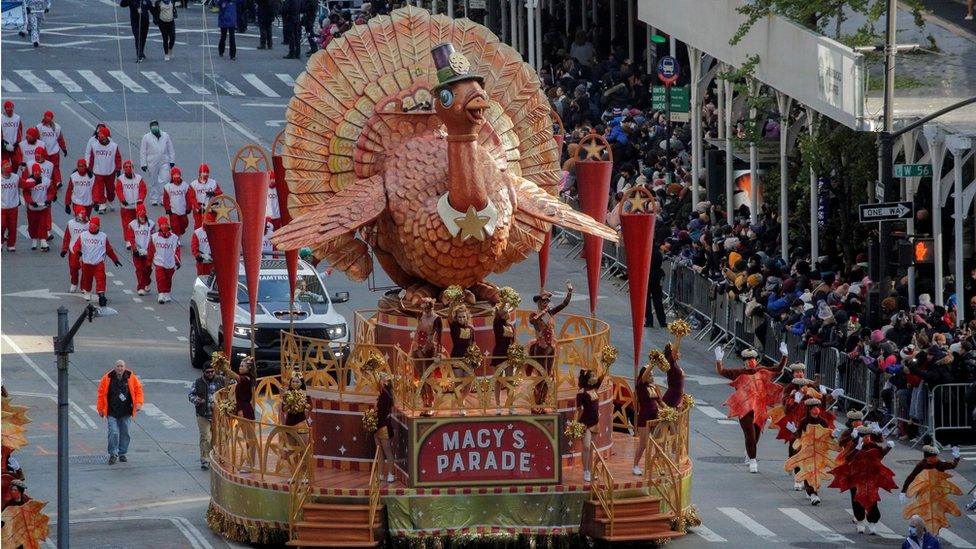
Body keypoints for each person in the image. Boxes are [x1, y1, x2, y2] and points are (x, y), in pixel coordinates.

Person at [714, 344, 788, 474]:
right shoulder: (738, 373)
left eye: (753, 359)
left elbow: (778, 369)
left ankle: (749, 452)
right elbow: (722, 371)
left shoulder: (762, 371)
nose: (751, 361)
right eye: (748, 359)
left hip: (760, 410)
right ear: (744, 361)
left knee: (757, 435)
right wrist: (719, 361)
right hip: (745, 410)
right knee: (750, 435)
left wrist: (785, 356)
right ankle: (753, 460)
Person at [829, 424, 896, 534]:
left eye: (868, 436)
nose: (866, 438)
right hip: (856, 478)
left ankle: (872, 523)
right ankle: (860, 521)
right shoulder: (853, 445)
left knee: (872, 498)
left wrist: (888, 448)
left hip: (870, 477)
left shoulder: (873, 445)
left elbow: (880, 455)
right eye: (863, 436)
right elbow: (847, 458)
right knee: (857, 499)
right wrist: (856, 449)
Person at [528, 282, 573, 413]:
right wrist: (544, 311)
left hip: (551, 347)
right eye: (543, 301)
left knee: (548, 375)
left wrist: (570, 291)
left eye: (547, 301)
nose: (545, 303)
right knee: (541, 376)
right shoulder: (534, 314)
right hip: (541, 347)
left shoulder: (551, 312)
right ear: (538, 303)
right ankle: (535, 404)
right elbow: (534, 321)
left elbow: (564, 304)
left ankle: (541, 404)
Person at [96, 360, 144, 465]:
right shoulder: (107, 378)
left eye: (121, 366)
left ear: (125, 367)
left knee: (125, 432)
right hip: (112, 412)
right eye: (118, 366)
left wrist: (139, 403)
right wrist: (100, 408)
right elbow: (101, 393)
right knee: (113, 432)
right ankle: (113, 454)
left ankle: (122, 453)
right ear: (114, 367)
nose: (120, 368)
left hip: (126, 411)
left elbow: (138, 390)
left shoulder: (131, 377)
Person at [73, 216, 123, 304]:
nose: (92, 227)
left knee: (101, 278)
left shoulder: (103, 236)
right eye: (91, 225)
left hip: (98, 263)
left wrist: (115, 259)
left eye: (94, 225)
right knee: (87, 279)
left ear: (98, 227)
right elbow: (76, 246)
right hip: (86, 262)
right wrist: (77, 251)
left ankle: (101, 295)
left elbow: (108, 249)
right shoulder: (83, 235)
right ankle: (87, 291)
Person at [219, 356, 257, 471]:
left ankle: (250, 464)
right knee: (249, 439)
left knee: (250, 439)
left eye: (242, 366)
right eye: (240, 365)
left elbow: (236, 377)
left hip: (245, 410)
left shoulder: (246, 379)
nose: (240, 367)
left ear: (249, 368)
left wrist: (225, 369)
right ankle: (250, 463)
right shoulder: (246, 378)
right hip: (243, 409)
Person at [189, 361, 227, 470]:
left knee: (219, 437)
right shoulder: (198, 383)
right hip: (203, 414)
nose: (210, 374)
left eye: (212, 372)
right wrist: (197, 400)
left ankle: (217, 457)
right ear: (203, 372)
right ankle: (205, 460)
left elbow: (232, 385)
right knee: (205, 436)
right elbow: (191, 395)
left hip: (218, 415)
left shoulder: (221, 380)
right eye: (207, 372)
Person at [410, 297, 442, 415]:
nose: (426, 311)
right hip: (417, 349)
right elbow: (402, 310)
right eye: (424, 308)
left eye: (428, 308)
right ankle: (425, 404)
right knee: (420, 377)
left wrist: (438, 354)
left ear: (432, 307)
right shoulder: (421, 315)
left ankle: (431, 403)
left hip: (428, 350)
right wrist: (401, 299)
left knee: (426, 377)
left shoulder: (437, 319)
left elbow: (439, 338)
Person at [575, 368, 605, 483]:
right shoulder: (581, 392)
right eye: (592, 376)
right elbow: (579, 409)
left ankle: (591, 470)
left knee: (592, 448)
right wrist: (576, 424)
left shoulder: (595, 388)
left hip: (595, 422)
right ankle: (585, 471)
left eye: (595, 376)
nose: (595, 378)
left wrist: (606, 363)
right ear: (588, 379)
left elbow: (603, 376)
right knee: (586, 447)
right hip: (585, 423)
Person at [448, 302, 476, 416]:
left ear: (467, 317)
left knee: (468, 383)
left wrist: (475, 355)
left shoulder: (471, 328)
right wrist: (451, 303)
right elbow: (449, 316)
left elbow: (473, 342)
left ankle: (460, 400)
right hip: (456, 357)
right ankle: (461, 406)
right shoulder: (454, 326)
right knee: (458, 383)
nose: (461, 319)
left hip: (468, 358)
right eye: (459, 317)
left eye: (464, 316)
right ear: (456, 317)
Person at [139, 121, 175, 206]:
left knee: (165, 180)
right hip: (152, 162)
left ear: (158, 126)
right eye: (152, 126)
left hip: (164, 162)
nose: (154, 127)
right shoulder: (146, 137)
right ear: (150, 127)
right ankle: (154, 198)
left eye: (155, 125)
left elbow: (171, 148)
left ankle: (163, 199)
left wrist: (172, 160)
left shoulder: (165, 135)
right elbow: (143, 151)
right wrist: (143, 163)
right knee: (153, 181)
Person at [20, 163, 54, 251]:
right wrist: (31, 202)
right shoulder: (28, 181)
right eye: (35, 171)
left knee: (42, 225)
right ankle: (34, 240)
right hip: (32, 208)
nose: (37, 173)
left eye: (38, 171)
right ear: (32, 172)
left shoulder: (46, 181)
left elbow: (50, 191)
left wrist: (49, 200)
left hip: (43, 207)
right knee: (32, 225)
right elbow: (26, 193)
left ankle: (43, 241)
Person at [88, 127, 121, 214]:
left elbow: (118, 158)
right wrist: (90, 169)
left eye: (101, 134)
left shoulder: (114, 146)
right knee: (100, 189)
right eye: (99, 134)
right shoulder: (95, 146)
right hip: (98, 171)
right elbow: (92, 158)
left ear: (106, 135)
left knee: (110, 189)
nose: (100, 136)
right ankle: (102, 204)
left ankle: (111, 200)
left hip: (110, 171)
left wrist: (118, 169)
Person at [491, 299, 516, 414]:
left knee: (510, 381)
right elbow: (499, 313)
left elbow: (513, 342)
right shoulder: (497, 323)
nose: (507, 314)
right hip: (498, 355)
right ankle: (498, 406)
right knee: (498, 381)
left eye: (508, 312)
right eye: (505, 312)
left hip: (509, 356)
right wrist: (505, 301)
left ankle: (511, 406)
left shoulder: (511, 326)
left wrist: (515, 354)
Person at [148, 216, 181, 303]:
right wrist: (149, 261)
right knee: (161, 278)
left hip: (170, 262)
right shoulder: (154, 237)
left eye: (166, 224)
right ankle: (161, 294)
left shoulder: (174, 237)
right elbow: (151, 250)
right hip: (159, 262)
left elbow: (177, 250)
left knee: (168, 279)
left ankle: (167, 293)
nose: (164, 226)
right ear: (159, 226)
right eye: (162, 224)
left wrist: (178, 261)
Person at [115, 160, 147, 248]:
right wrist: (122, 200)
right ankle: (128, 240)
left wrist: (140, 199)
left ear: (133, 168)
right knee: (127, 224)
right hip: (126, 206)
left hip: (137, 206)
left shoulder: (139, 178)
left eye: (130, 167)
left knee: (139, 223)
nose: (128, 169)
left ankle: (139, 238)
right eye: (126, 167)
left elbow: (143, 190)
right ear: (123, 169)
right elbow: (119, 190)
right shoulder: (120, 179)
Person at [128, 205, 156, 295]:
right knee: (139, 269)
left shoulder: (151, 224)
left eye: (143, 210)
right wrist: (135, 249)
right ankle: (141, 287)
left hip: (148, 251)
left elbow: (154, 237)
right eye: (140, 211)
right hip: (137, 251)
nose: (142, 212)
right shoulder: (132, 224)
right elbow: (131, 238)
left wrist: (151, 250)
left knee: (147, 269)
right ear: (137, 212)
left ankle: (147, 282)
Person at [61, 205, 89, 293]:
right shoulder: (71, 224)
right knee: (73, 268)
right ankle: (74, 283)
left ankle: (84, 287)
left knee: (86, 269)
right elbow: (67, 237)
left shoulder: (89, 224)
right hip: (73, 249)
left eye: (84, 213)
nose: (82, 216)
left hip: (86, 250)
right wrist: (64, 249)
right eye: (81, 213)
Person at [373, 372, 395, 483]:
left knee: (387, 451)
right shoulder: (381, 395)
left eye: (381, 380)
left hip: (384, 426)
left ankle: (391, 473)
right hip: (377, 426)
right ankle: (380, 473)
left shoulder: (386, 395)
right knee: (379, 452)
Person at [163, 166, 197, 237]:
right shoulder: (168, 187)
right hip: (173, 210)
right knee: (175, 225)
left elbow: (188, 198)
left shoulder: (185, 186)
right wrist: (167, 209)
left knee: (185, 223)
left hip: (183, 210)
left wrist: (189, 207)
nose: (176, 176)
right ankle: (176, 237)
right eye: (174, 175)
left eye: (177, 174)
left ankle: (180, 232)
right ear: (172, 176)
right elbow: (166, 199)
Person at [36, 110, 66, 182]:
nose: (48, 118)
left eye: (49, 117)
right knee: (45, 166)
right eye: (46, 116)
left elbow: (60, 138)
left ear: (52, 118)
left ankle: (58, 182)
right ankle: (45, 180)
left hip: (54, 151)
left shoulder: (57, 127)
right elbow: (36, 138)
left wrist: (64, 148)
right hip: (43, 151)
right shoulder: (39, 127)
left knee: (55, 166)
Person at [189, 163, 221, 228]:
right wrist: (198, 208)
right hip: (199, 209)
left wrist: (213, 193)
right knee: (199, 227)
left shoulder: (213, 182)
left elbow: (220, 192)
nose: (205, 174)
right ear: (200, 173)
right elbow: (192, 198)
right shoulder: (193, 184)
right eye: (204, 172)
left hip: (210, 208)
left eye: (207, 172)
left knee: (211, 226)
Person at [645, 245, 666, 327]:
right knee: (658, 301)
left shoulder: (647, 252)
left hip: (648, 277)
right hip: (657, 278)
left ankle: (649, 321)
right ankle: (662, 321)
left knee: (647, 301)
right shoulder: (658, 253)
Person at [1, 161, 20, 252]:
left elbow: (23, 184)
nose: (8, 167)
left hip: (13, 207)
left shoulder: (15, 177)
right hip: (2, 208)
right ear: (1, 168)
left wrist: (34, 182)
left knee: (12, 227)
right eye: (6, 165)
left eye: (9, 164)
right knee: (2, 225)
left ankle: (11, 244)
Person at [1, 101, 24, 166]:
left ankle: (14, 175)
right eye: (8, 109)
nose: (10, 110)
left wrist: (17, 143)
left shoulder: (17, 118)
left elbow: (19, 131)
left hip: (14, 145)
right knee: (5, 164)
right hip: (4, 146)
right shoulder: (1, 118)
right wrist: (3, 144)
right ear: (5, 109)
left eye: (11, 108)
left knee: (16, 163)